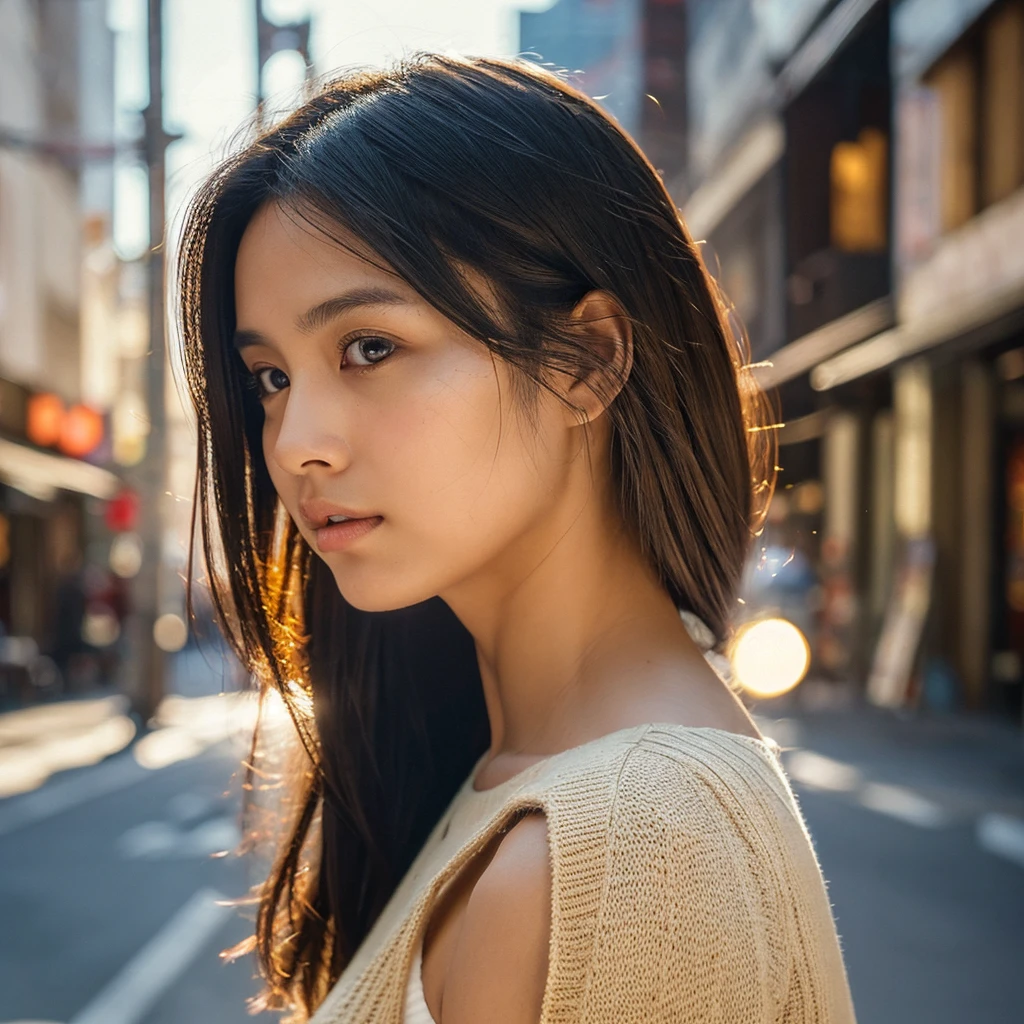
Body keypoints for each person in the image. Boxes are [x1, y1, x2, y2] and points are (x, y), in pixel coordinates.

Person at [177, 54, 857, 1024]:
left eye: (369, 347)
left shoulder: (630, 840)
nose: (296, 443)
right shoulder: (534, 773)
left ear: (586, 359)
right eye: (272, 377)